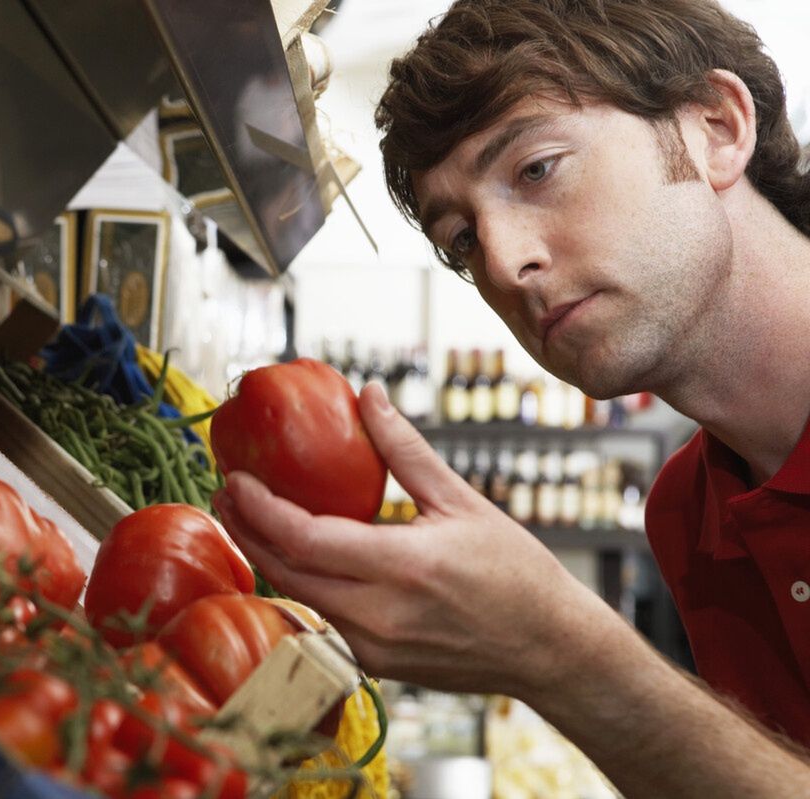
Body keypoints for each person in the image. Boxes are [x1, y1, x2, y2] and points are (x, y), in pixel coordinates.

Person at [212, 0, 810, 795]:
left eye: (536, 169)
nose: (501, 263)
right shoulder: (686, 512)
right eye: (461, 238)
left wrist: (562, 652)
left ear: (716, 127)